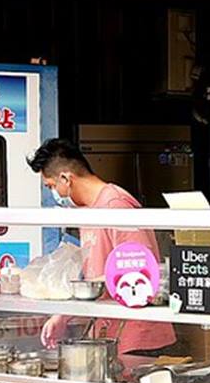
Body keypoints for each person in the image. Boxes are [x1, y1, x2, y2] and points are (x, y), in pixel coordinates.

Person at [26, 138, 174, 364]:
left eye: (51, 186)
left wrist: (66, 312)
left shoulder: (116, 206)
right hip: (111, 329)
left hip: (137, 336)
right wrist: (64, 315)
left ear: (66, 178)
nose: (54, 193)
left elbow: (138, 270)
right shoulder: (90, 210)